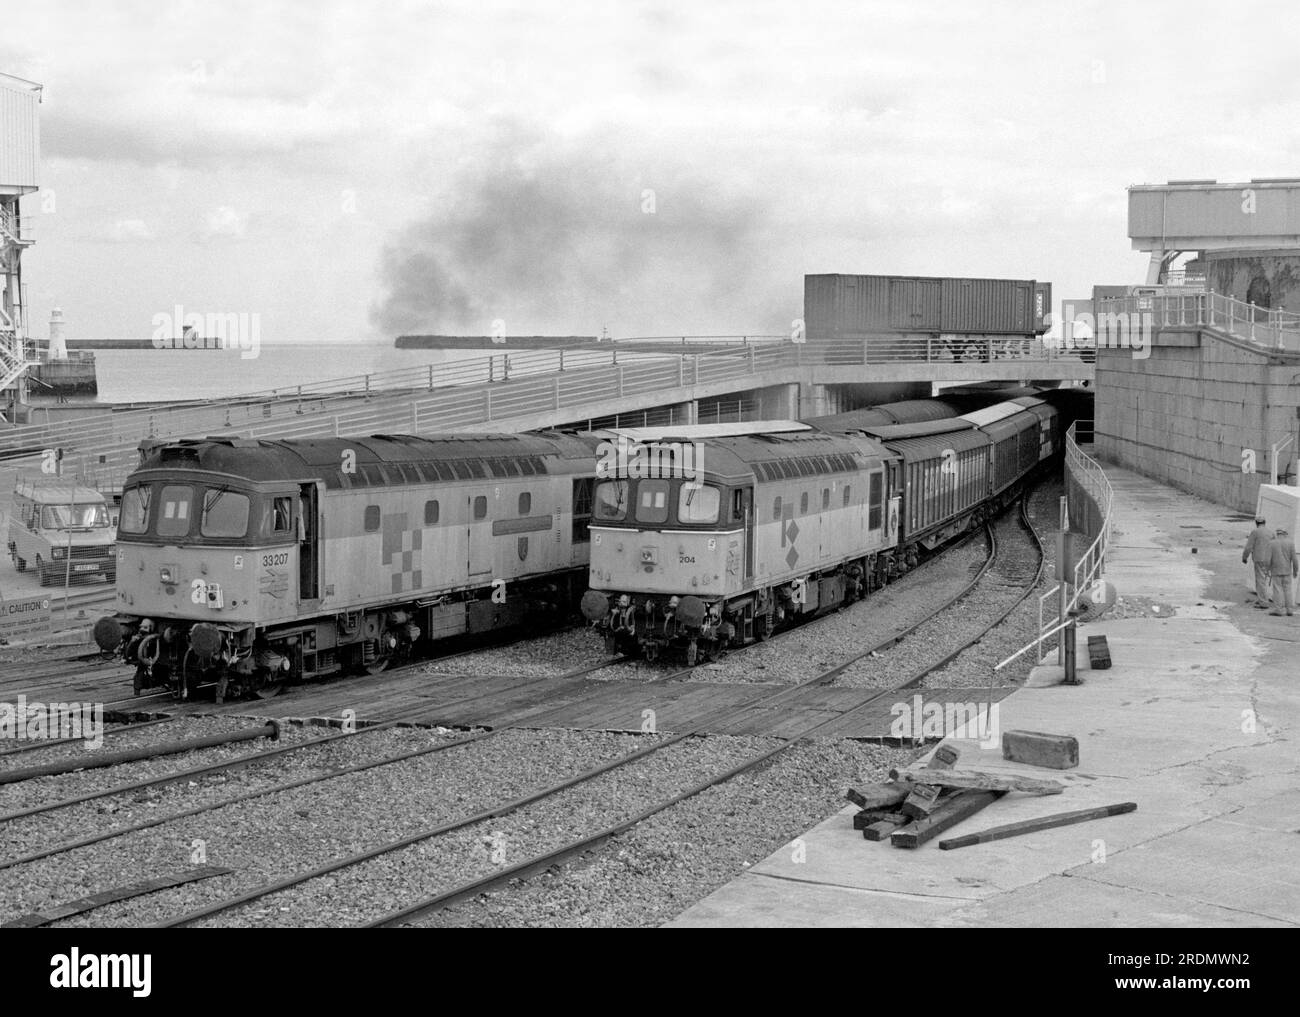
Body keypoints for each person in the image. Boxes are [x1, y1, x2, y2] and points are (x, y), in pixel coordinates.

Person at [1266, 527, 1299, 617]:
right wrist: (1296, 571)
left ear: (1277, 534)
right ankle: (1289, 610)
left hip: (1276, 570)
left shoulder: (1272, 543)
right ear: (1285, 533)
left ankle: (1279, 610)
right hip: (1287, 571)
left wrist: (1267, 570)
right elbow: (1295, 559)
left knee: (1278, 590)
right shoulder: (1290, 543)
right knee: (1288, 590)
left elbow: (1268, 559)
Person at [1242, 517, 1273, 607]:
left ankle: (1263, 602)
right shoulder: (1271, 532)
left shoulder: (1255, 532)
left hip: (1259, 559)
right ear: (1265, 522)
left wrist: (1244, 557)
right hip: (1269, 559)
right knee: (1264, 580)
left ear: (1256, 523)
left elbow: (1248, 547)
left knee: (1260, 580)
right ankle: (1262, 599)